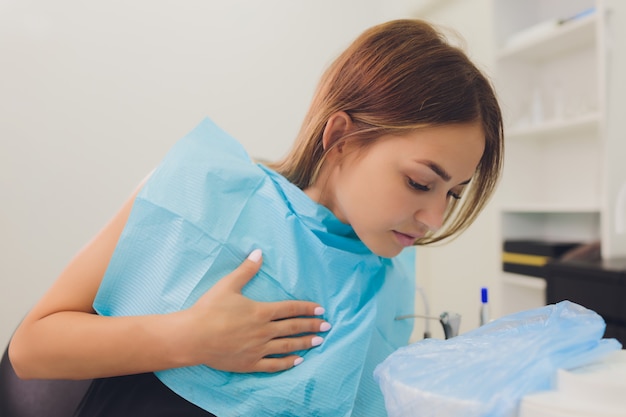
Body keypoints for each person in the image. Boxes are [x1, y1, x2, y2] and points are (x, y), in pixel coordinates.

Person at [8, 18, 503, 416]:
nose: (434, 216)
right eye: (420, 182)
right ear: (342, 137)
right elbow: (33, 348)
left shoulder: (388, 272)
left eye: (454, 196)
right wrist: (191, 338)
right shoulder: (207, 191)